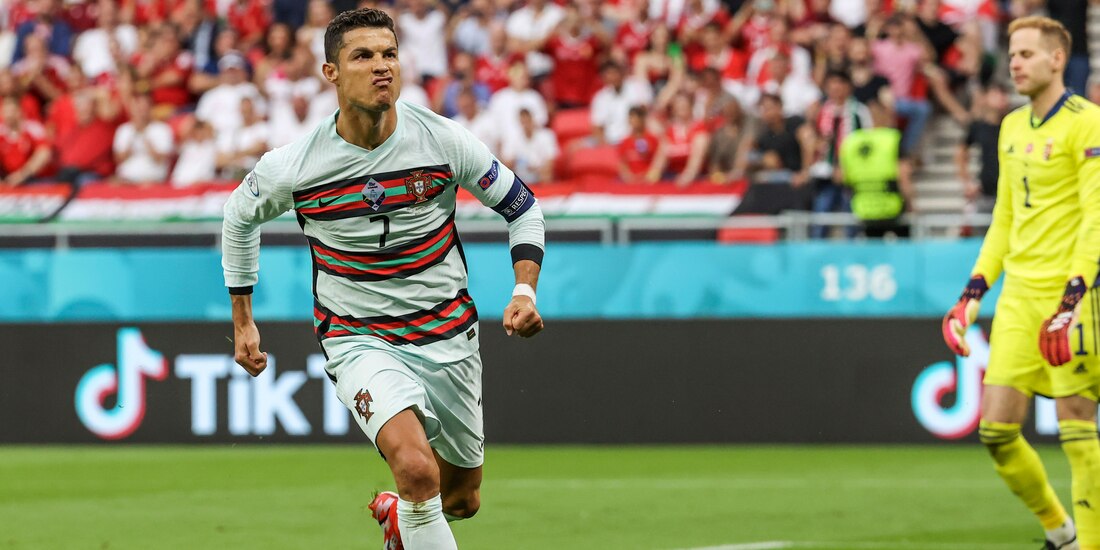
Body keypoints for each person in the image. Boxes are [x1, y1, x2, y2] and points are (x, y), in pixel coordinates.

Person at [220, 9, 545, 550]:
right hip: (358, 336)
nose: (381, 67)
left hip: (448, 334)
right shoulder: (295, 166)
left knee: (461, 498)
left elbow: (523, 208)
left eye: (389, 54)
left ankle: (402, 517)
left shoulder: (443, 141)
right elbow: (238, 218)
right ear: (330, 73)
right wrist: (243, 321)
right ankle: (409, 501)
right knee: (416, 470)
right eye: (363, 56)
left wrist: (524, 289)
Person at [942, 16, 1100, 550]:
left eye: (1028, 54)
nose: (1015, 62)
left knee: (1077, 427)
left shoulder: (1087, 123)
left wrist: (1073, 297)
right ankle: (1062, 532)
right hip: (1018, 299)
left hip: (1071, 301)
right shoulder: (1009, 127)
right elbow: (1003, 220)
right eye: (1012, 53)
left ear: (1058, 60)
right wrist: (972, 293)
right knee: (996, 432)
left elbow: (1096, 218)